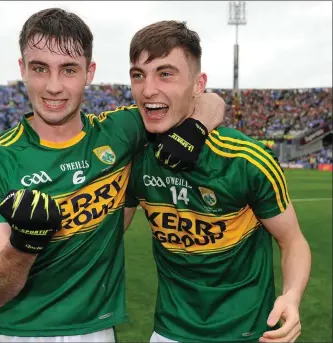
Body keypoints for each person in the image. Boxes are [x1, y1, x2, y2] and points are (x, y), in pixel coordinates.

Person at [0, 8, 225, 343]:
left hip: (96, 330)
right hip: (14, 333)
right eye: (40, 69)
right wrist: (24, 244)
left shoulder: (122, 131)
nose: (54, 86)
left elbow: (208, 99)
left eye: (69, 70)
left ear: (90, 72)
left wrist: (195, 129)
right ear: (23, 70)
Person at [124, 20, 312, 343]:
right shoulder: (134, 155)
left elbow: (292, 241)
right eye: (138, 75)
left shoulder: (246, 161)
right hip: (170, 332)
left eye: (165, 73)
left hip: (248, 333)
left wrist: (292, 296)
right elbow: (109, 233)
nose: (148, 89)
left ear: (199, 84)